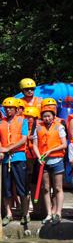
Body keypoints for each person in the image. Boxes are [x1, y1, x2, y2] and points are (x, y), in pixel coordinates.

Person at [32, 104, 67, 224]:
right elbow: (35, 145)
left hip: (56, 160)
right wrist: (38, 157)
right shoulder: (38, 128)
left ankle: (58, 213)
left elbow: (64, 144)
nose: (47, 118)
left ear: (53, 117)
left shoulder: (59, 127)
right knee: (46, 188)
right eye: (44, 116)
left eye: (49, 116)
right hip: (43, 162)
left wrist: (51, 151)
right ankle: (48, 213)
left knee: (58, 187)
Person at [1, 97, 30, 226]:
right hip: (5, 159)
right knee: (6, 188)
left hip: (19, 157)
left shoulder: (22, 121)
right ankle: (8, 214)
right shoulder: (1, 123)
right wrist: (2, 150)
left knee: (22, 188)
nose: (8, 110)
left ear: (16, 109)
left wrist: (8, 148)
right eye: (6, 108)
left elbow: (24, 139)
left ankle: (25, 213)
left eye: (10, 108)